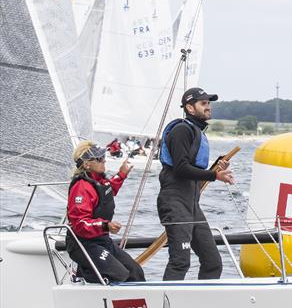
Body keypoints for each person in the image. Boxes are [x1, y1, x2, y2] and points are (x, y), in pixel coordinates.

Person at [158, 87, 234, 280]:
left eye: (208, 103)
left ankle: (203, 305)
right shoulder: (181, 130)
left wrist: (216, 167)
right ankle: (165, 306)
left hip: (191, 204)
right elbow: (181, 169)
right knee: (180, 261)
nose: (208, 107)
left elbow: (193, 169)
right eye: (203, 103)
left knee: (213, 262)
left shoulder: (196, 131)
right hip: (174, 203)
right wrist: (215, 176)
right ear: (190, 109)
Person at [66, 142, 145, 283]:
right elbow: (80, 224)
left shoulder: (100, 181)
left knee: (135, 272)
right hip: (82, 243)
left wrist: (121, 174)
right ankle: (83, 278)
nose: (104, 160)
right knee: (119, 274)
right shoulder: (81, 188)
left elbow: (109, 190)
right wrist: (105, 226)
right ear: (86, 164)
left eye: (103, 157)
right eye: (99, 159)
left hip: (101, 240)